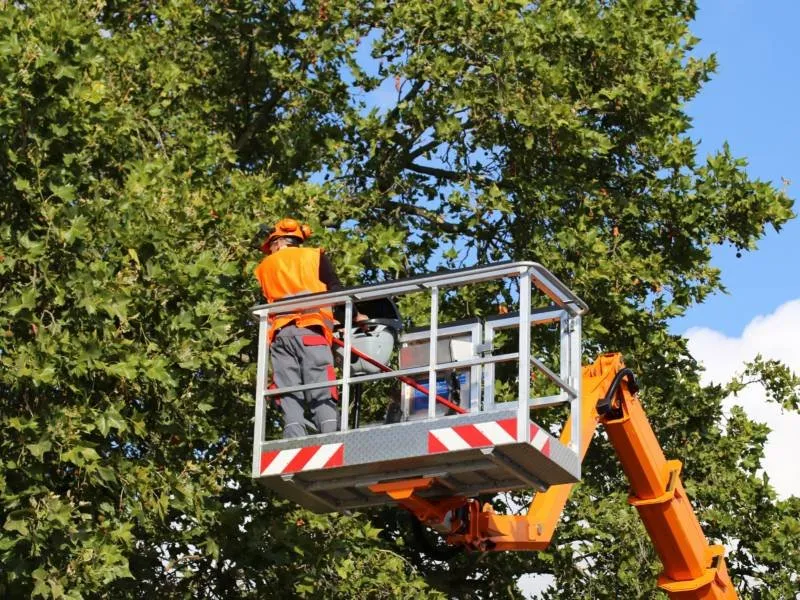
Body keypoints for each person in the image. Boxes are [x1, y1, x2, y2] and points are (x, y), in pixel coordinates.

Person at [254, 218, 365, 438]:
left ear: (278, 242)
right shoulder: (313, 256)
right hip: (310, 329)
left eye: (271, 246)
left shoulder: (264, 267)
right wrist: (353, 316)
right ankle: (330, 433)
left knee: (287, 387)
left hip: (280, 335)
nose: (271, 250)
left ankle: (293, 434)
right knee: (320, 381)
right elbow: (335, 290)